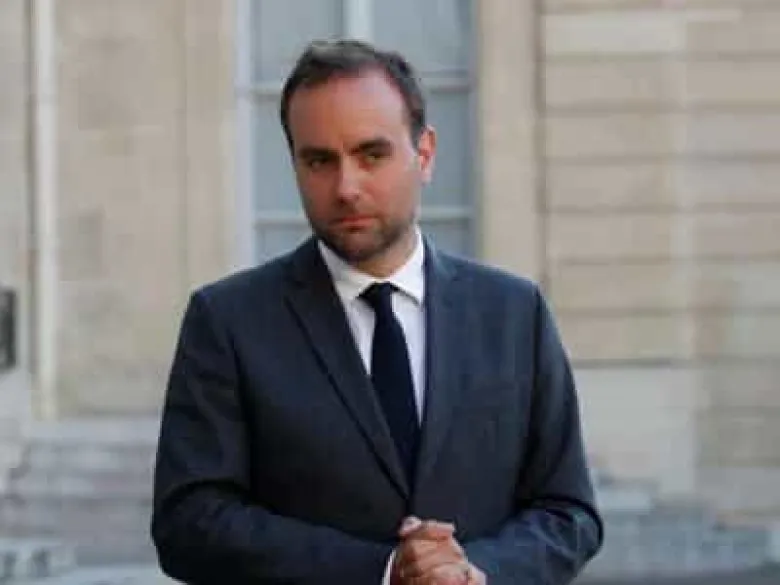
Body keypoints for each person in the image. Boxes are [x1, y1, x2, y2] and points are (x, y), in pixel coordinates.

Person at [151, 38, 603, 585]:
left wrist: (473, 573)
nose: (346, 188)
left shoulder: (513, 314)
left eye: (372, 154)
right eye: (319, 161)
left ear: (425, 154)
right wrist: (384, 570)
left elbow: (568, 512)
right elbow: (189, 523)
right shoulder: (228, 321)